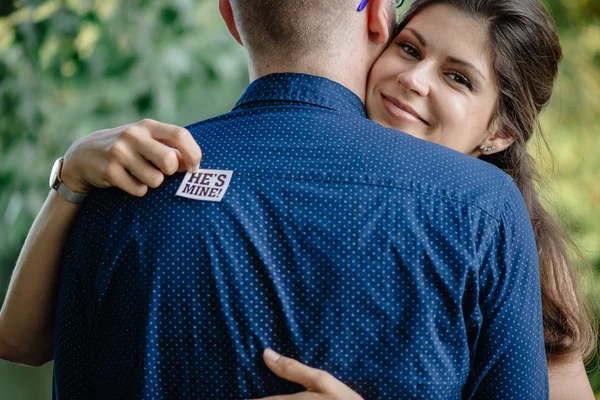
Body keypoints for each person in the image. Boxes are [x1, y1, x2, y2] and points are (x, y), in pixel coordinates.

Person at [1, 0, 590, 398]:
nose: (414, 80)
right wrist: (70, 178)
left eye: (458, 78)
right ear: (379, 26)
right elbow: (20, 341)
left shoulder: (503, 233)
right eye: (411, 50)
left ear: (500, 133)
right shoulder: (134, 173)